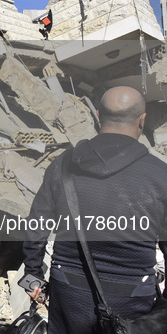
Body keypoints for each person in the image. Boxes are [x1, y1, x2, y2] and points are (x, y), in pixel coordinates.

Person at [23, 86, 167, 333]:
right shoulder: (160, 174)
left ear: (98, 115)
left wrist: (32, 275)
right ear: (142, 120)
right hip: (132, 295)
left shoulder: (63, 164)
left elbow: (37, 223)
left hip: (67, 289)